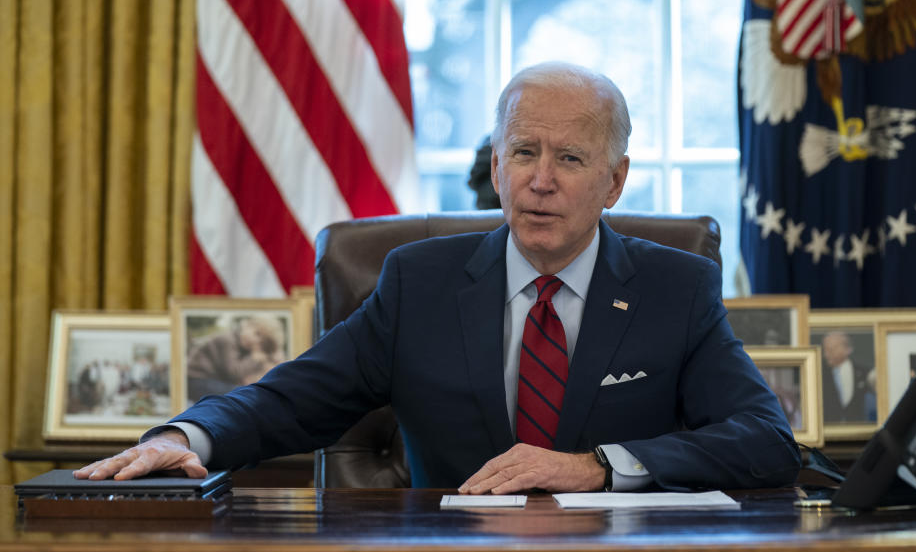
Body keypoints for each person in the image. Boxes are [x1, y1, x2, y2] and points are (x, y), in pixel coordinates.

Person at [75, 62, 800, 493]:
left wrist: (597, 468)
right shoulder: (419, 283)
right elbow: (286, 400)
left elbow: (765, 440)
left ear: (614, 182)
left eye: (571, 160)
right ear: (495, 168)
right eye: (522, 153)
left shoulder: (675, 289)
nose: (540, 181)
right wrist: (186, 436)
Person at [821, 331, 876, 423]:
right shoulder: (820, 374)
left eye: (831, 349)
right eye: (825, 350)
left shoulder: (865, 373)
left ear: (848, 349)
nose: (826, 354)